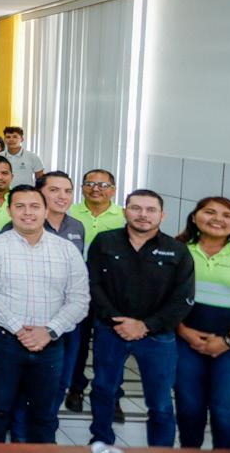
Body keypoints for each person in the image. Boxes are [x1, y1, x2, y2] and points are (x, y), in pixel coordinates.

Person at [0, 185, 89, 444]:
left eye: (35, 206)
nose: (28, 212)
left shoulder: (66, 250)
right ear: (9, 211)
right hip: (6, 341)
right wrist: (20, 330)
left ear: (46, 211)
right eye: (20, 206)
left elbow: (80, 299)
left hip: (50, 343)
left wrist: (48, 331)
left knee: (43, 414)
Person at [87, 190, 194, 447]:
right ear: (125, 211)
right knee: (103, 389)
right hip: (111, 331)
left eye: (150, 210)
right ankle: (101, 441)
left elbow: (183, 298)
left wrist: (146, 325)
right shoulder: (104, 242)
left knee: (160, 402)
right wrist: (117, 320)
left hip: (157, 337)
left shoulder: (177, 251)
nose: (143, 214)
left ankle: (160, 449)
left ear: (162, 215)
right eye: (136, 208)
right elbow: (92, 284)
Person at [64, 169, 128, 415]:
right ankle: (75, 389)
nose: (95, 189)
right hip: (75, 289)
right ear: (82, 188)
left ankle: (112, 394)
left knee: (111, 345)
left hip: (111, 291)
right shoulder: (70, 213)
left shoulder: (123, 216)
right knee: (77, 343)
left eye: (102, 185)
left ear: (113, 189)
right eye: (90, 183)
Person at [174, 196, 230, 449]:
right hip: (184, 341)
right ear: (194, 217)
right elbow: (161, 295)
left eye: (227, 215)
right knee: (189, 409)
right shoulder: (177, 249)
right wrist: (183, 331)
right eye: (210, 212)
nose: (217, 219)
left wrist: (228, 341)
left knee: (225, 411)